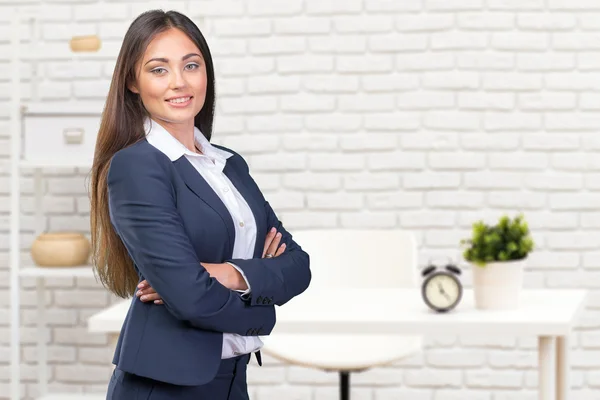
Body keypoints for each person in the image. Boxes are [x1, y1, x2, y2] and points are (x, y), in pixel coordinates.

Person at [89, 9, 311, 400]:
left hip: (232, 380)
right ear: (132, 82)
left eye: (191, 65)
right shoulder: (137, 167)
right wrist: (263, 310)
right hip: (166, 386)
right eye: (159, 70)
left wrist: (226, 273)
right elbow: (190, 297)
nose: (179, 82)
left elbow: (297, 264)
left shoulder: (228, 164)